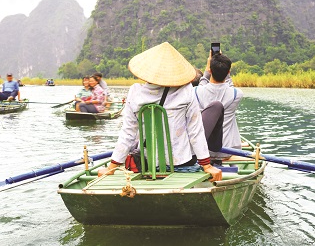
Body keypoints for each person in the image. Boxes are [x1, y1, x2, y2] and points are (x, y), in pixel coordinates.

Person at [98, 42, 222, 182]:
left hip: (147, 163)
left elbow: (128, 133)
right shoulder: (187, 91)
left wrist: (111, 168)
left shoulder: (135, 92)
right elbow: (195, 130)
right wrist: (206, 165)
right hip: (182, 162)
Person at [194, 50, 244, 163]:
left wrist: (207, 70)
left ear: (210, 71)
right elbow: (229, 86)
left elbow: (202, 83)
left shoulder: (196, 92)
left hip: (204, 152)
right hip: (228, 152)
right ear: (228, 73)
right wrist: (225, 72)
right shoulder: (237, 94)